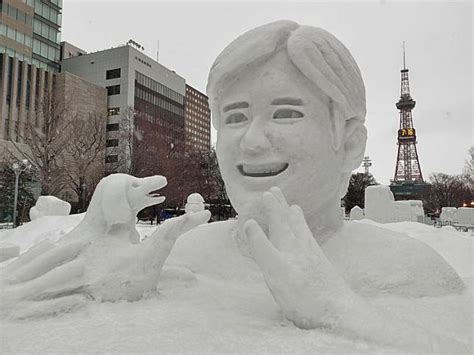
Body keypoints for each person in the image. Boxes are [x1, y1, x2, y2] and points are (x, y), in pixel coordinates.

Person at [1, 21, 468, 352]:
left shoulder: (413, 273)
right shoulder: (181, 257)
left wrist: (341, 314)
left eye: (286, 113)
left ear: (349, 143)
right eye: (235, 117)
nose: (252, 140)